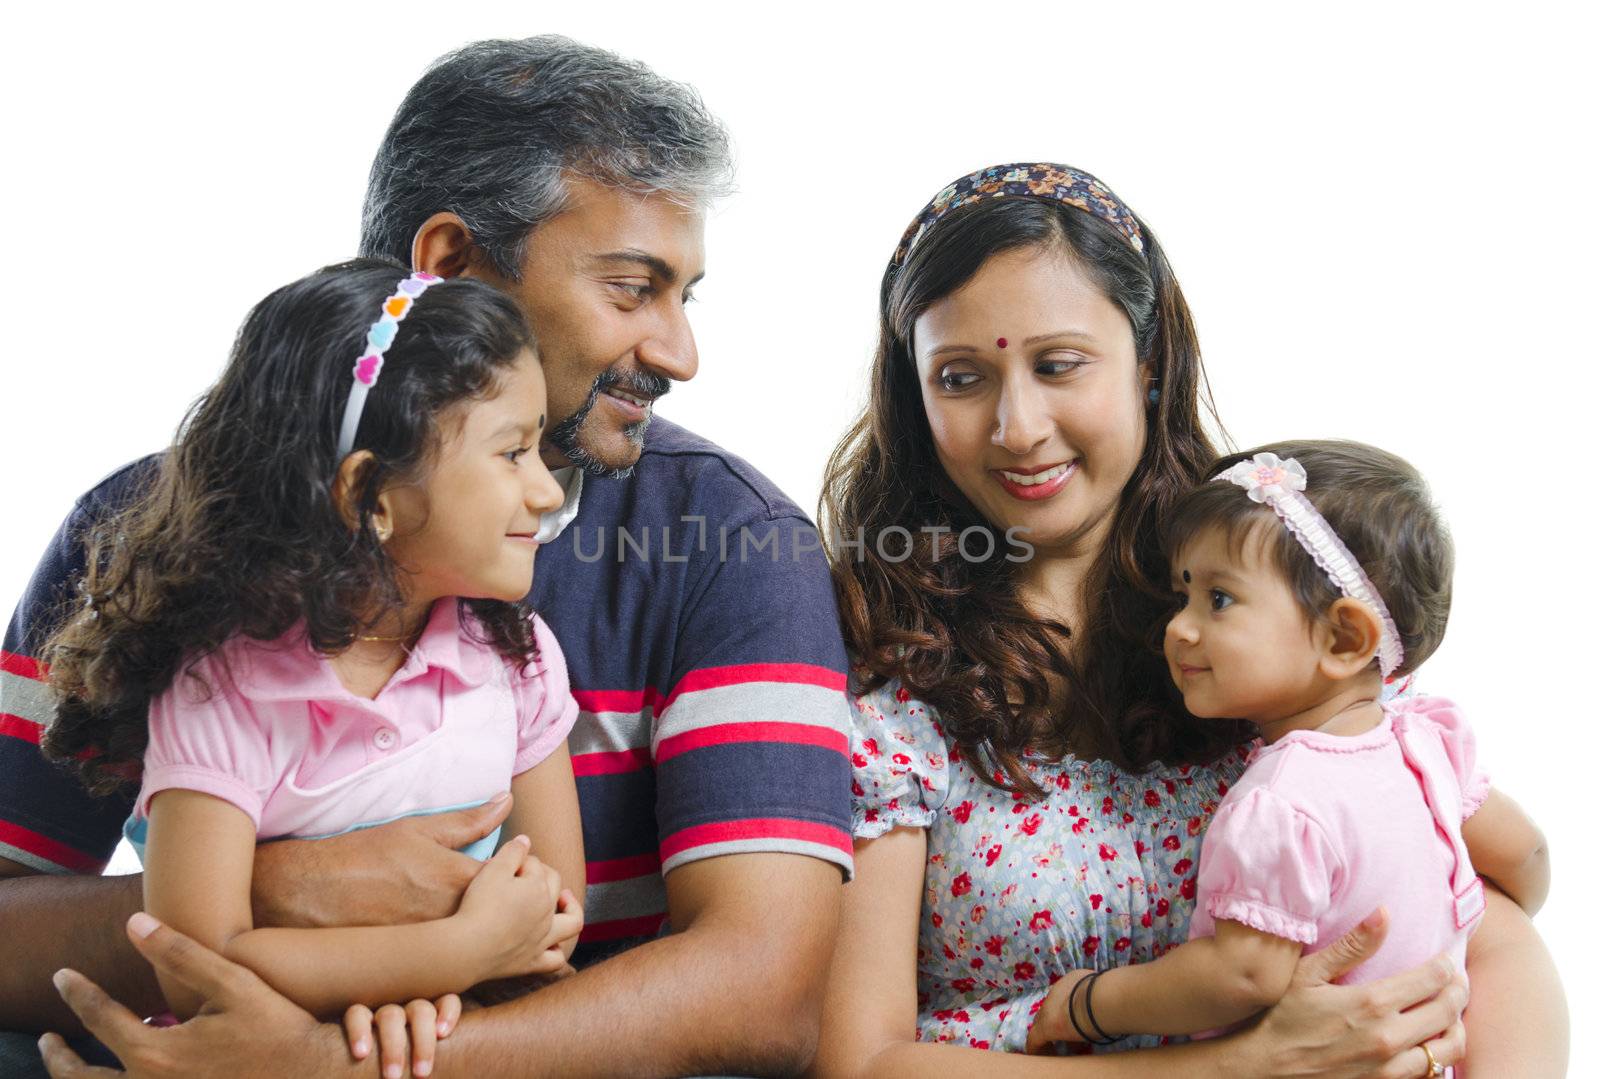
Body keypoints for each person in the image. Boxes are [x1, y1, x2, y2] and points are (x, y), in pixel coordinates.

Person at [3, 36, 853, 1079]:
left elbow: (765, 994)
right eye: (633, 289)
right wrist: (274, 898)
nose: (680, 352)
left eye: (686, 296)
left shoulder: (736, 544)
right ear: (448, 266)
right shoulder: (148, 529)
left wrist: (330, 1060)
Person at [809, 163, 1566, 1076]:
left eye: (1058, 365)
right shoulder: (884, 671)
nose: (1017, 425)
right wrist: (1240, 1066)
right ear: (914, 396)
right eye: (961, 377)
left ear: (1150, 364)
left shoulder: (1270, 611)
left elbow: (1490, 917)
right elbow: (863, 1064)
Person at [40, 260, 585, 1076]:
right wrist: (455, 951)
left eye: (538, 446)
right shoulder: (221, 687)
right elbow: (197, 964)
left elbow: (555, 913)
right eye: (512, 452)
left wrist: (417, 1004)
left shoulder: (519, 660)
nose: (546, 490)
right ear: (371, 496)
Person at [1025, 441, 1548, 1054]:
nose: (1178, 627)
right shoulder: (1425, 744)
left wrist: (1088, 1004)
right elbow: (1528, 858)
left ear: (1344, 638)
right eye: (1183, 594)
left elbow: (1243, 974)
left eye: (1218, 599)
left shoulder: (1279, 804)